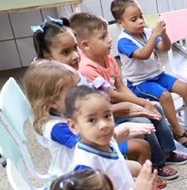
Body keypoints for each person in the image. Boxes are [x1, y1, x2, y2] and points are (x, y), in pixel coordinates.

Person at [70, 11, 187, 180]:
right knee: (145, 120)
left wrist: (142, 103)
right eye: (103, 37)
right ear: (86, 45)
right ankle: (157, 163)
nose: (110, 39)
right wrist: (140, 103)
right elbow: (111, 94)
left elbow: (120, 86)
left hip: (117, 105)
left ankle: (168, 152)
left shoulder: (107, 56)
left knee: (156, 108)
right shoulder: (87, 68)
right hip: (106, 113)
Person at [32, 18, 154, 173]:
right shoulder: (55, 126)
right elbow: (90, 146)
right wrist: (123, 128)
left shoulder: (73, 77)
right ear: (50, 100)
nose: (76, 56)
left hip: (96, 158)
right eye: (65, 52)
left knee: (140, 148)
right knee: (137, 158)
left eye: (75, 48)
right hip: (84, 177)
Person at [111, 0, 187, 146]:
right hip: (140, 83)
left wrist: (163, 35)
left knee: (184, 87)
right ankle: (178, 131)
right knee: (165, 96)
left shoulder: (147, 32)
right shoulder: (124, 41)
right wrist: (155, 35)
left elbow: (165, 47)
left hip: (158, 75)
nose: (140, 21)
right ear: (120, 23)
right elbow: (143, 55)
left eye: (141, 16)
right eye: (134, 19)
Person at [66, 86, 165, 190]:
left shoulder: (106, 141)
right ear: (74, 126)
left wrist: (136, 184)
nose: (104, 125)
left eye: (107, 116)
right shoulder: (85, 165)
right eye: (92, 120)